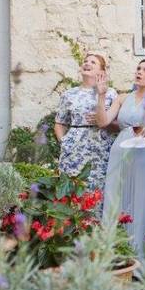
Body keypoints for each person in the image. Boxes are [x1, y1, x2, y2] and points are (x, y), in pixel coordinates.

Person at [96, 59, 145, 255]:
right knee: (114, 200)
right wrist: (101, 96)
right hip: (120, 150)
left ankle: (141, 261)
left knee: (144, 204)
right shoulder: (122, 97)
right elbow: (103, 122)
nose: (140, 72)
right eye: (138, 68)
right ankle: (114, 255)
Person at [54, 54, 118, 190]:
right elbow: (60, 123)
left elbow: (119, 124)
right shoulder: (69, 94)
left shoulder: (111, 93)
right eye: (85, 61)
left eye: (93, 62)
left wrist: (103, 121)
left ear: (102, 71)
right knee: (72, 188)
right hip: (74, 150)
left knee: (98, 190)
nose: (87, 63)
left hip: (101, 149)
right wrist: (64, 142)